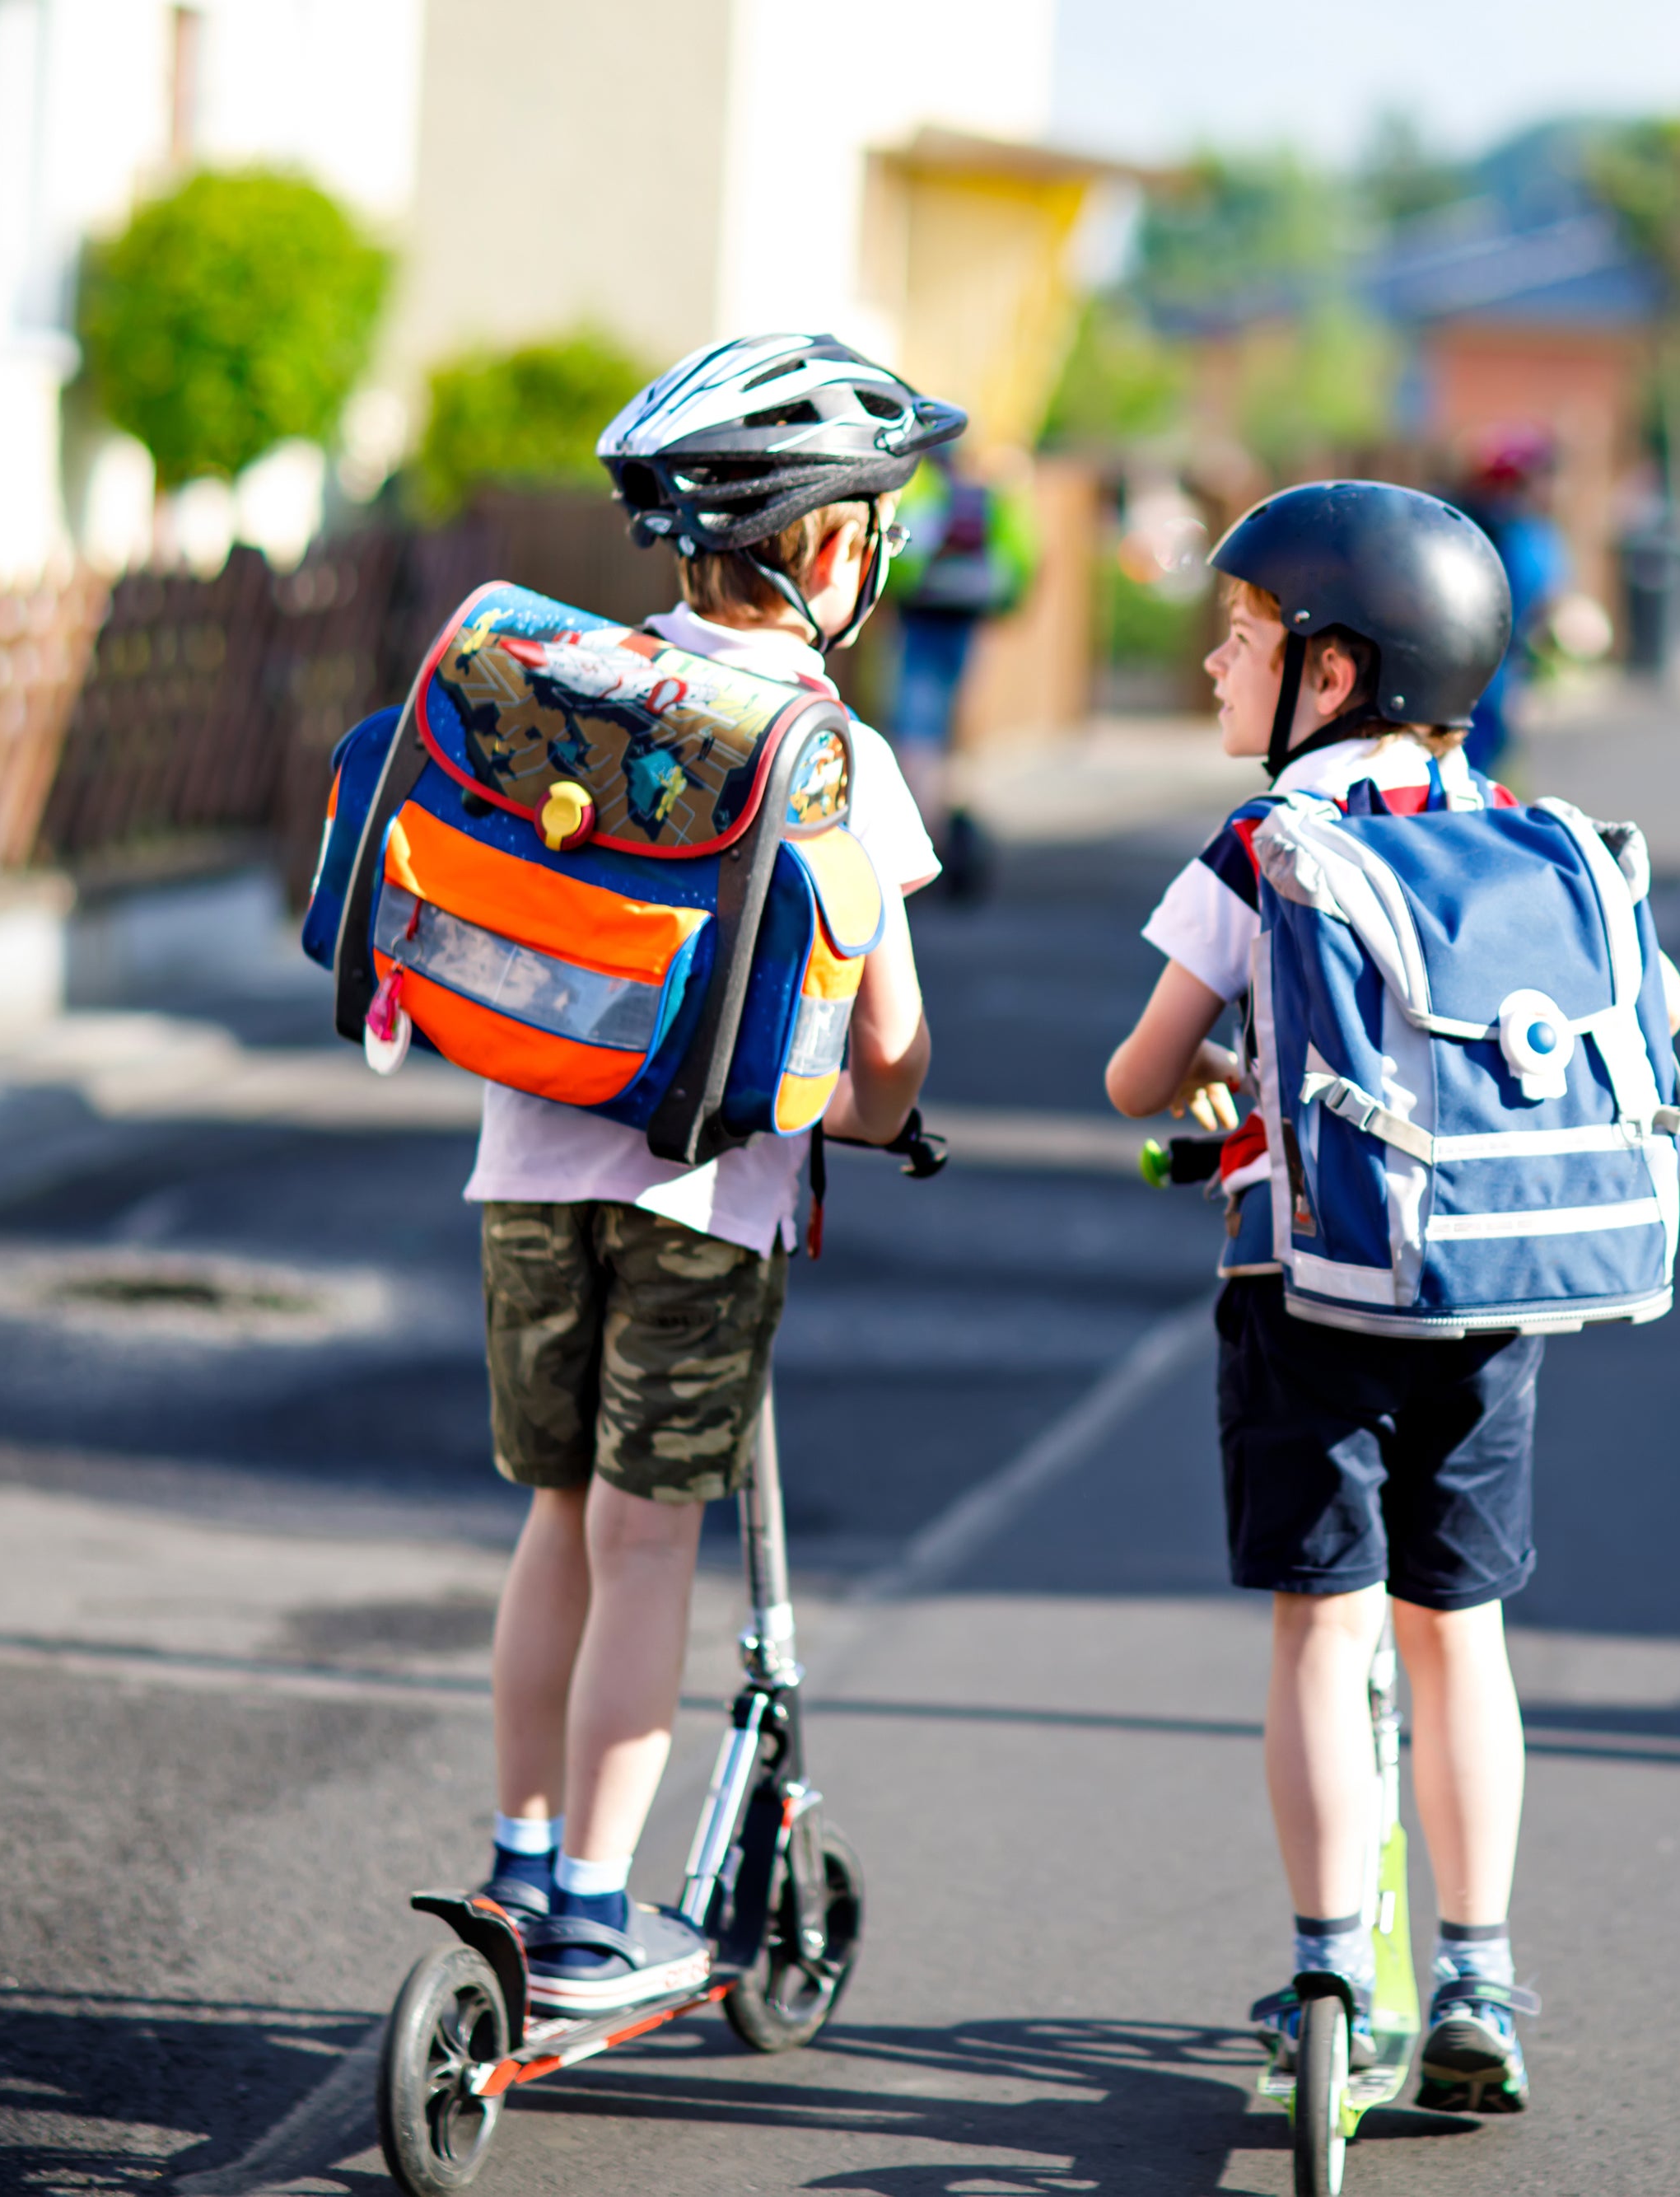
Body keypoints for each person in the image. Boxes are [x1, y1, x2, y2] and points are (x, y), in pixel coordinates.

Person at [466, 334, 950, 2017]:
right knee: (647, 1543)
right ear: (825, 551)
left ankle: (517, 1858)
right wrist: (890, 1120)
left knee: (552, 1524)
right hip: (706, 1199)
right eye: (872, 529)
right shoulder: (833, 755)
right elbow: (887, 1042)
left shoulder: (574, 690)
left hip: (525, 1168)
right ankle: (593, 1908)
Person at [1100, 480, 1549, 2115]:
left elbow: (1138, 1070)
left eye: (1241, 636)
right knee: (1459, 1630)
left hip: (1307, 1281)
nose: (1217, 664)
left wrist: (1227, 1077)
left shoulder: (1264, 844)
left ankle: (1324, 1960)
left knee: (1322, 1618)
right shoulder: (1508, 823)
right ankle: (1476, 1969)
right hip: (1487, 1284)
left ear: (1334, 673)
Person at [883, 446, 1036, 901]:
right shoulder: (991, 495)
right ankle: (952, 824)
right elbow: (1020, 559)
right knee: (952, 728)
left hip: (922, 614)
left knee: (916, 730)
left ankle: (923, 842)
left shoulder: (920, 492)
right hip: (968, 615)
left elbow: (898, 555)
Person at [1449, 423, 1570, 782]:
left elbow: (1545, 603)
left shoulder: (1536, 536)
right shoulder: (1497, 532)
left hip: (1502, 670)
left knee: (1485, 760)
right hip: (1472, 670)